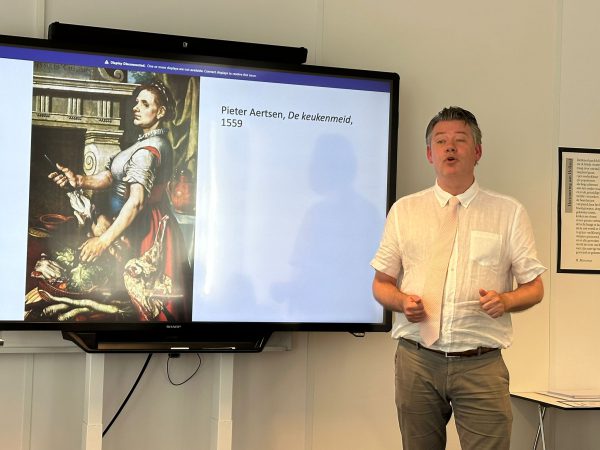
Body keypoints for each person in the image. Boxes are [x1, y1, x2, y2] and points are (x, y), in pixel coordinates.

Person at [371, 106, 546, 450]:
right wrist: (402, 302)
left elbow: (534, 287)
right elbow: (381, 284)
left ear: (477, 151)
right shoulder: (404, 211)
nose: (449, 147)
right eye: (441, 141)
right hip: (417, 360)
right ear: (429, 154)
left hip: (481, 364)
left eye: (460, 140)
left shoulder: (508, 212)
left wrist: (506, 300)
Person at [49, 79, 191, 322]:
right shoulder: (142, 143)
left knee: (144, 300)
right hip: (135, 222)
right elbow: (110, 176)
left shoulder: (149, 151)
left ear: (161, 112)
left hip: (146, 229)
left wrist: (102, 242)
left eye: (144, 104)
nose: (136, 107)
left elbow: (136, 202)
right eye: (136, 102)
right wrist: (78, 180)